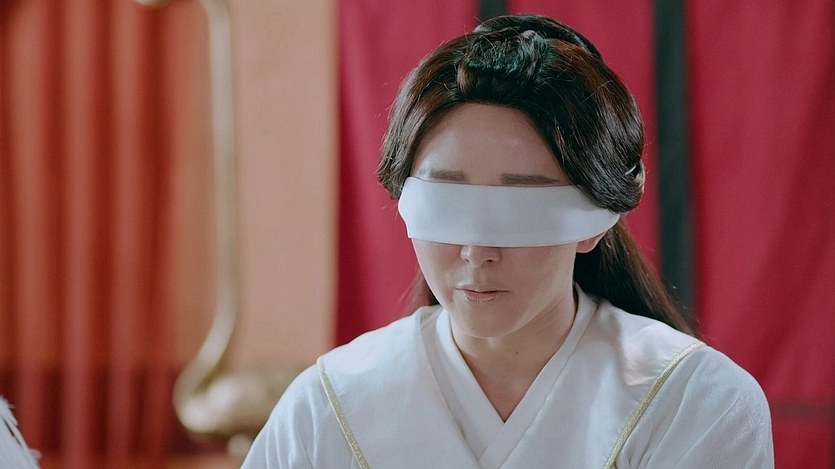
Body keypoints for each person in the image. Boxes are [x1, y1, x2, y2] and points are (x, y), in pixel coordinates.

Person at [242, 14, 773, 468]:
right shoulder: (327, 408)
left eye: (521, 212)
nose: (477, 252)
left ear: (595, 221)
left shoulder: (693, 403)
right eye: (447, 204)